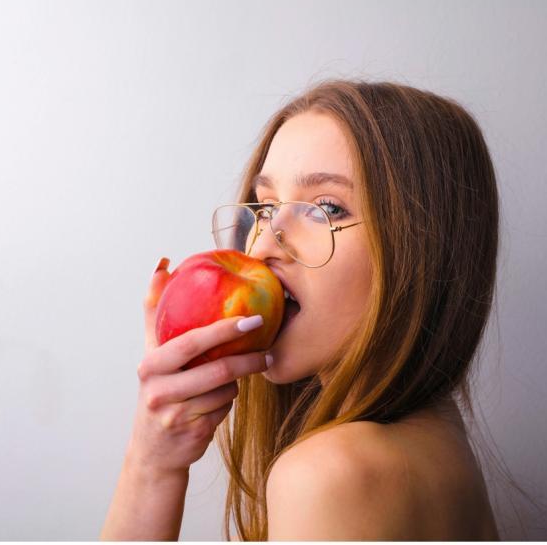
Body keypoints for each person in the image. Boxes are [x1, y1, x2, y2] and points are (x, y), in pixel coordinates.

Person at [101, 79, 517, 540]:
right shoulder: (437, 439)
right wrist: (155, 459)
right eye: (265, 206)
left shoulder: (326, 476)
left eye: (326, 208)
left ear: (422, 250)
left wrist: (148, 468)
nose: (261, 247)